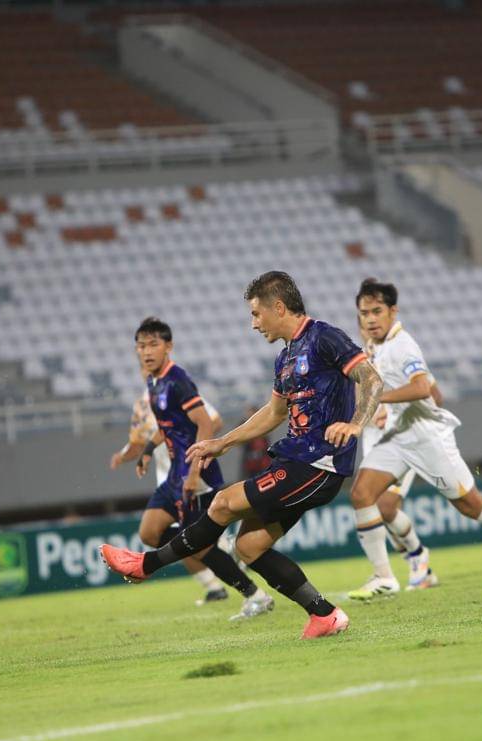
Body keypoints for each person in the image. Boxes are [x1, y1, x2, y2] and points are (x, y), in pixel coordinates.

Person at [102, 271, 385, 639]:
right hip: (296, 461)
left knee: (222, 503)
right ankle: (325, 615)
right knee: (249, 547)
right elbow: (273, 414)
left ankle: (146, 564)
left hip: (319, 463)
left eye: (256, 314)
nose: (253, 324)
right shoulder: (284, 358)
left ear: (278, 307)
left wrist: (355, 424)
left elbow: (371, 378)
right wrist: (223, 443)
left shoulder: (323, 336)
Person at [349, 279, 482, 600]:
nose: (371, 319)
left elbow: (422, 389)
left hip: (426, 437)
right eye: (364, 313)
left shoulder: (404, 346)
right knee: (362, 493)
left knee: (470, 505)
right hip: (399, 436)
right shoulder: (375, 347)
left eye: (377, 311)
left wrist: (380, 400)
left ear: (393, 311)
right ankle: (384, 576)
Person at [108, 317, 274, 621]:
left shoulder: (178, 380)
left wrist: (195, 471)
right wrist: (147, 450)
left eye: (153, 344)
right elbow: (167, 427)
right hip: (174, 475)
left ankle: (255, 595)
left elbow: (206, 422)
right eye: (141, 346)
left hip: (196, 478)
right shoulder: (153, 382)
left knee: (199, 549)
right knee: (149, 531)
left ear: (168, 347)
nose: (146, 351)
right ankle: (208, 543)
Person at [347, 308, 444, 599]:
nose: (368, 330)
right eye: (363, 326)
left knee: (386, 507)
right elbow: (360, 402)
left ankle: (416, 556)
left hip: (404, 437)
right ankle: (416, 565)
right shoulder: (359, 364)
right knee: (375, 506)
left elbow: (432, 393)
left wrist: (394, 409)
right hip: (375, 442)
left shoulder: (397, 353)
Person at [112, 371, 229, 606]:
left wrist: (192, 453)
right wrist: (124, 456)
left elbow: (213, 420)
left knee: (191, 537)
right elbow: (138, 442)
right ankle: (214, 584)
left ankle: (233, 565)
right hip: (168, 483)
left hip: (193, 479)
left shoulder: (179, 388)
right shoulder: (142, 406)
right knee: (168, 537)